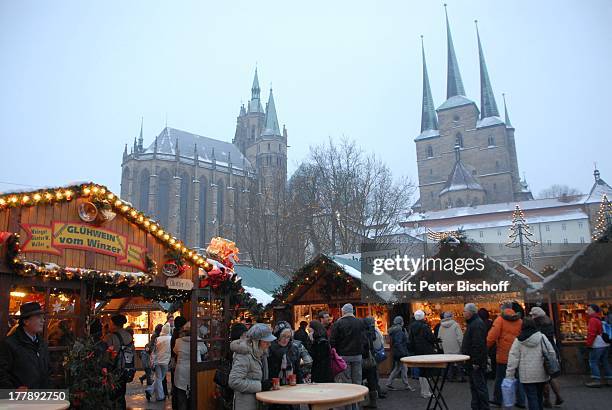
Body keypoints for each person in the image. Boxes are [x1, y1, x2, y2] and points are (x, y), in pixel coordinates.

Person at [506, 318, 555, 410]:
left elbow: (513, 358)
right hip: (541, 373)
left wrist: (509, 375)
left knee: (531, 397)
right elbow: (551, 352)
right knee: (539, 396)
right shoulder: (541, 337)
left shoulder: (519, 340)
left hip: (526, 375)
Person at [0, 302, 50, 389]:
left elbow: (48, 371)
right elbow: (2, 374)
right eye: (38, 317)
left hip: (41, 398)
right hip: (21, 400)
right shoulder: (10, 343)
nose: (43, 320)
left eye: (43, 317)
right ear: (26, 321)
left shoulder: (42, 343)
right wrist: (14, 391)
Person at [228, 323, 276, 410]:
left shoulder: (261, 354)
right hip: (246, 405)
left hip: (258, 402)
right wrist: (260, 386)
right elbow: (234, 381)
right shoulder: (244, 355)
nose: (269, 345)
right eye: (266, 342)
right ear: (256, 342)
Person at [487, 302, 525, 408]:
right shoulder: (519, 320)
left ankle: (498, 399)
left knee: (500, 377)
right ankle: (521, 400)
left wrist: (486, 347)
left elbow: (492, 337)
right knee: (518, 377)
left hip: (504, 354)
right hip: (517, 354)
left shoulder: (500, 320)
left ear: (502, 309)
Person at [529, 307, 563, 406]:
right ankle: (558, 396)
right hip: (552, 350)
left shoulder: (539, 326)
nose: (531, 316)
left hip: (542, 352)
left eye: (533, 315)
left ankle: (547, 400)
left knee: (545, 379)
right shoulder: (549, 322)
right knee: (553, 376)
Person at [461, 303, 490, 410]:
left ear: (470, 312)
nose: (463, 313)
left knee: (479, 386)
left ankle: (482, 407)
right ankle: (477, 406)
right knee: (475, 386)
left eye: (465, 311)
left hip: (475, 362)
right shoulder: (474, 323)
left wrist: (476, 362)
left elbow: (478, 345)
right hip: (472, 361)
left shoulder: (476, 324)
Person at [330, 303, 365, 388]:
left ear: (343, 312)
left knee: (346, 379)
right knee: (357, 378)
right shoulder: (360, 322)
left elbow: (333, 340)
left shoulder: (338, 323)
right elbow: (364, 338)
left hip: (343, 355)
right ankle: (357, 399)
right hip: (357, 354)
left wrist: (335, 352)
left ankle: (349, 399)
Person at [174, 322, 207, 410]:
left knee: (182, 396)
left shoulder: (178, 341)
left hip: (181, 371)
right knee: (195, 395)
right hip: (195, 370)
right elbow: (204, 350)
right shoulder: (198, 340)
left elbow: (175, 351)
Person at [104, 314, 134, 409]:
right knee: (121, 393)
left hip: (114, 369)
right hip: (126, 368)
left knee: (112, 395)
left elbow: (106, 354)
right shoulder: (128, 335)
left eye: (110, 323)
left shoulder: (111, 337)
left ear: (114, 324)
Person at [408, 310, 435, 399]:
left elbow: (410, 340)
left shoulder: (411, 327)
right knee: (427, 371)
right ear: (423, 317)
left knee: (421, 371)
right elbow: (431, 338)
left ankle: (423, 391)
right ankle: (426, 392)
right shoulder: (425, 326)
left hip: (417, 351)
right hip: (426, 351)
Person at [268, 321, 304, 387]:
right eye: (283, 336)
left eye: (288, 337)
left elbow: (298, 369)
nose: (285, 340)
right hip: (274, 386)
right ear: (277, 335)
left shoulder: (294, 349)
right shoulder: (269, 348)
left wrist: (301, 384)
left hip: (291, 385)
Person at [584, 303, 612, 387]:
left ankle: (596, 380)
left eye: (589, 309)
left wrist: (588, 344)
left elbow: (591, 334)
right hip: (605, 344)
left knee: (593, 361)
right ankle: (609, 380)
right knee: (605, 361)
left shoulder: (592, 320)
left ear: (594, 310)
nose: (587, 311)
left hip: (597, 345)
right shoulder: (599, 318)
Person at [386, 316, 414, 391]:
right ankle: (406, 385)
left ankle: (390, 383)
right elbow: (398, 343)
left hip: (396, 352)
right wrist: (403, 352)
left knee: (399, 368)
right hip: (400, 352)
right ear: (400, 322)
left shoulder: (394, 330)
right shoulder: (399, 331)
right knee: (403, 368)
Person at [146, 323, 171, 401]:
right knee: (160, 378)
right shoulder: (170, 338)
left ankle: (150, 391)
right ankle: (159, 396)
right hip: (165, 361)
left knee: (158, 378)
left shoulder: (158, 338)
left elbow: (155, 350)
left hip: (157, 361)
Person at [438, 311, 464, 382]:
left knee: (449, 364)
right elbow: (460, 337)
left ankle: (450, 377)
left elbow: (439, 338)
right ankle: (460, 377)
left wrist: (441, 347)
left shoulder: (441, 326)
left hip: (446, 348)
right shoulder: (455, 325)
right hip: (456, 348)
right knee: (459, 363)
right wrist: (462, 346)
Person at [362, 317, 381, 408]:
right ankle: (373, 402)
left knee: (361, 379)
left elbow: (364, 346)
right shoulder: (371, 332)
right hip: (371, 358)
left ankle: (363, 401)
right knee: (372, 379)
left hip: (364, 359)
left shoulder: (363, 333)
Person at [478, 307, 496, 379]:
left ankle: (486, 373)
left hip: (484, 344)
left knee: (485, 360)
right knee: (492, 360)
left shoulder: (479, 324)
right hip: (492, 345)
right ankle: (493, 374)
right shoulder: (491, 323)